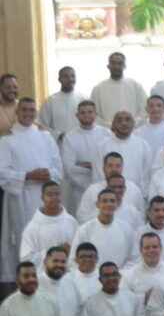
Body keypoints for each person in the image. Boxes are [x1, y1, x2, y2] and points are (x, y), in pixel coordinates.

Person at [1, 97, 63, 278]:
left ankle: (48, 274)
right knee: (24, 239)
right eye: (24, 110)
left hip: (45, 197)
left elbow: (58, 168)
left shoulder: (45, 136)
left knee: (47, 236)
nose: (28, 114)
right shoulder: (7, 139)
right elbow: (2, 172)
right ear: (17, 112)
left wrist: (48, 175)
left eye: (31, 110)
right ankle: (25, 277)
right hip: (21, 197)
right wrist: (28, 176)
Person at [61, 100, 109, 212]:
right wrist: (97, 166)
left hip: (103, 188)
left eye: (90, 112)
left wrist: (85, 165)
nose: (87, 115)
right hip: (79, 191)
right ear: (77, 115)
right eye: (83, 112)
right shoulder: (70, 137)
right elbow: (69, 168)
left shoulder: (106, 134)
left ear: (96, 114)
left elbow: (109, 164)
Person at [19, 181, 78, 268]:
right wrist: (54, 252)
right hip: (44, 278)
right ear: (42, 198)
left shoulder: (71, 221)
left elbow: (80, 249)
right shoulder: (33, 227)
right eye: (50, 195)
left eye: (57, 194)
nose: (54, 197)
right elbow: (26, 258)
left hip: (68, 276)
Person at [72, 189, 135, 269]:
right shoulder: (85, 230)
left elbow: (134, 259)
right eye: (104, 201)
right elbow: (73, 260)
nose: (108, 204)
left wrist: (120, 275)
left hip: (120, 277)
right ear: (97, 204)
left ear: (117, 204)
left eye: (112, 201)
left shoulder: (127, 229)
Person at [90, 52, 147, 123]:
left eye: (120, 63)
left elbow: (145, 111)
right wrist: (109, 126)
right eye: (113, 63)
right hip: (107, 132)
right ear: (108, 66)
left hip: (132, 130)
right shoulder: (98, 89)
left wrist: (130, 125)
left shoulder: (135, 86)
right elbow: (94, 114)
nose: (116, 66)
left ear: (124, 66)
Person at [39, 66, 85, 140]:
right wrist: (58, 135)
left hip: (81, 142)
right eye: (66, 77)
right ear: (59, 79)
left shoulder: (83, 99)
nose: (70, 79)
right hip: (59, 145)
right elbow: (42, 125)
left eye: (73, 76)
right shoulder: (51, 101)